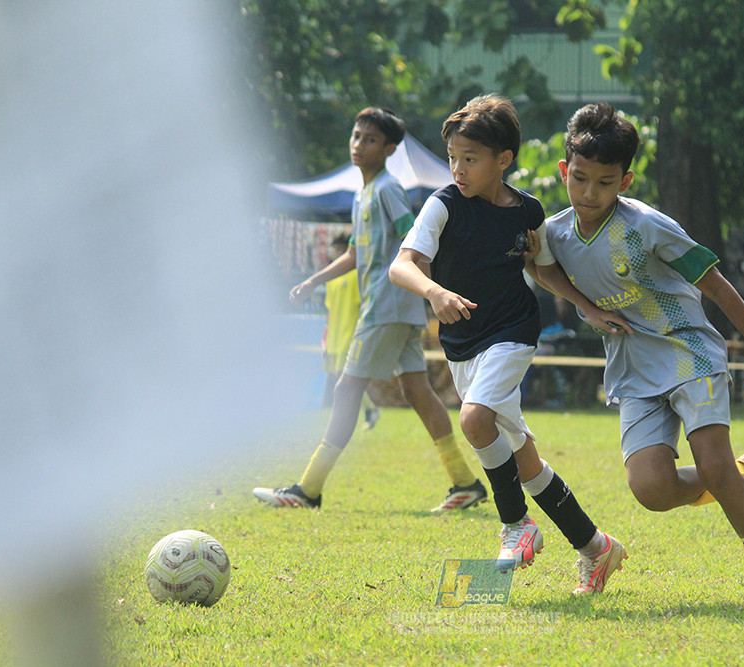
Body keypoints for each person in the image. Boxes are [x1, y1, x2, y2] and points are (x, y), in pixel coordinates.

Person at [534, 103, 744, 607]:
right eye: (580, 179)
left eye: (604, 182)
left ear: (625, 180)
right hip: (632, 365)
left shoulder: (647, 227)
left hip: (689, 351)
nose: (590, 193)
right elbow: (541, 268)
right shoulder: (554, 231)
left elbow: (718, 286)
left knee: (713, 466)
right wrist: (584, 308)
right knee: (651, 490)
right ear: (564, 171)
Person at [389, 94, 630, 594]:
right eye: (453, 157)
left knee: (474, 419)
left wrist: (587, 306)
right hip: (462, 344)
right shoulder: (443, 204)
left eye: (469, 159)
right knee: (523, 459)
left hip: (513, 332)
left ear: (503, 160)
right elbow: (402, 264)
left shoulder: (527, 210)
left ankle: (516, 527)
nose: (457, 168)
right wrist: (434, 291)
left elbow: (542, 270)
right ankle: (596, 547)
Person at [253, 107, 486, 512]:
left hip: (386, 307)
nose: (359, 145)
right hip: (392, 309)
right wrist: (314, 280)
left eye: (371, 139)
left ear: (390, 148)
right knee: (418, 390)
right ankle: (465, 483)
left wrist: (430, 290)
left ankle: (307, 489)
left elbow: (412, 242)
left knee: (346, 389)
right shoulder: (364, 192)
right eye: (357, 136)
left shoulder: (388, 190)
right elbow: (357, 253)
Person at [320, 234, 380, 430]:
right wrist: (325, 336)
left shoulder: (356, 275)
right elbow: (329, 309)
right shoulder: (331, 279)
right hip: (335, 335)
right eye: (334, 251)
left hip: (350, 333)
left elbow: (363, 305)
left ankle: (343, 419)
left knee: (344, 375)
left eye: (339, 250)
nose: (336, 254)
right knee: (340, 377)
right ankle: (370, 409)